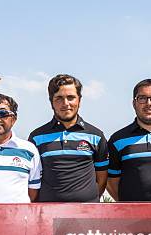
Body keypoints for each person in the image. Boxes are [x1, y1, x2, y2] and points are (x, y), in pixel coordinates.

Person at [28, 74, 108, 202]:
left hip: (87, 214)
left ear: (79, 100)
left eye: (71, 97)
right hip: (48, 214)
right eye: (59, 98)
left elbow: (102, 179)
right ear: (51, 102)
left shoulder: (96, 136)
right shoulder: (37, 137)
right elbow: (32, 179)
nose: (66, 103)